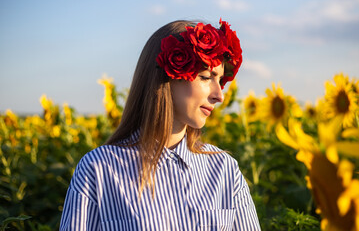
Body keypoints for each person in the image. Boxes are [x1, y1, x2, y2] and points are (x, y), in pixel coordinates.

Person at [60, 19, 261, 230]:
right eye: (205, 77)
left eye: (220, 81)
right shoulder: (99, 170)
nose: (219, 95)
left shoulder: (224, 170)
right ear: (167, 76)